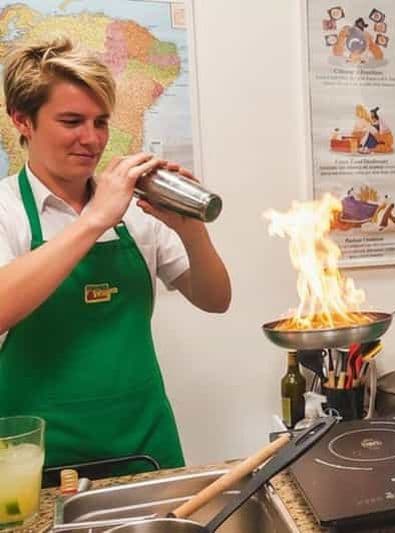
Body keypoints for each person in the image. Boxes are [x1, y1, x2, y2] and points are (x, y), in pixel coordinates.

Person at [0, 38, 231, 473]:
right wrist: (93, 221)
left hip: (145, 447)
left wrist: (192, 232)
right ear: (22, 120)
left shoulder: (135, 213)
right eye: (71, 121)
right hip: (34, 463)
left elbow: (216, 299)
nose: (91, 139)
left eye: (100, 122)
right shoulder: (7, 208)